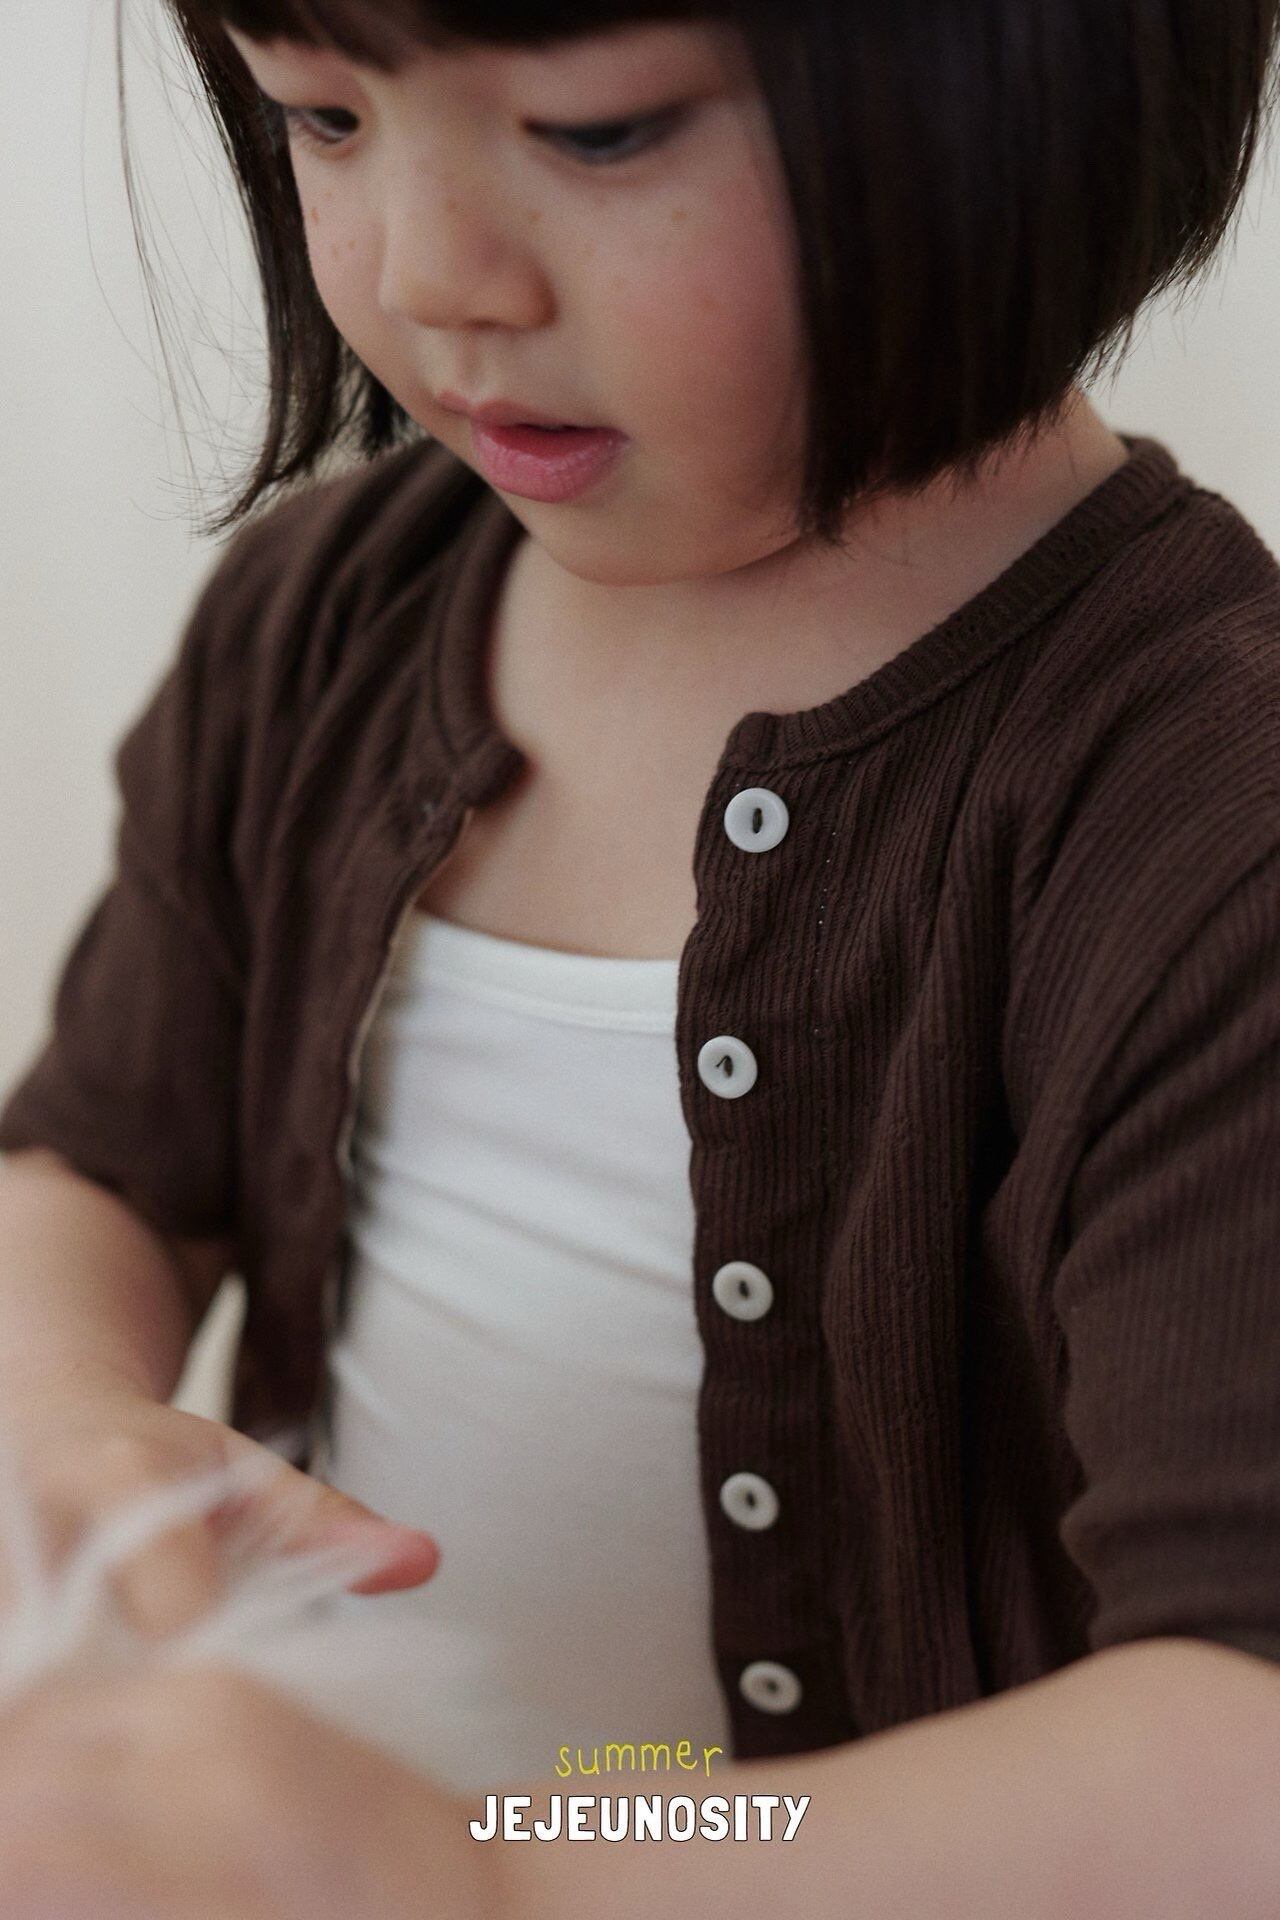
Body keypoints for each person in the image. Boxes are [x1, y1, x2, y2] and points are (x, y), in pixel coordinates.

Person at [1, 0, 1280, 1911]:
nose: (432, 275)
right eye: (324, 117)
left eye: (595, 132)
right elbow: (94, 1167)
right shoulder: (329, 618)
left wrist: (500, 1869)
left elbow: (1242, 1744)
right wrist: (62, 1412)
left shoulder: (1204, 810)